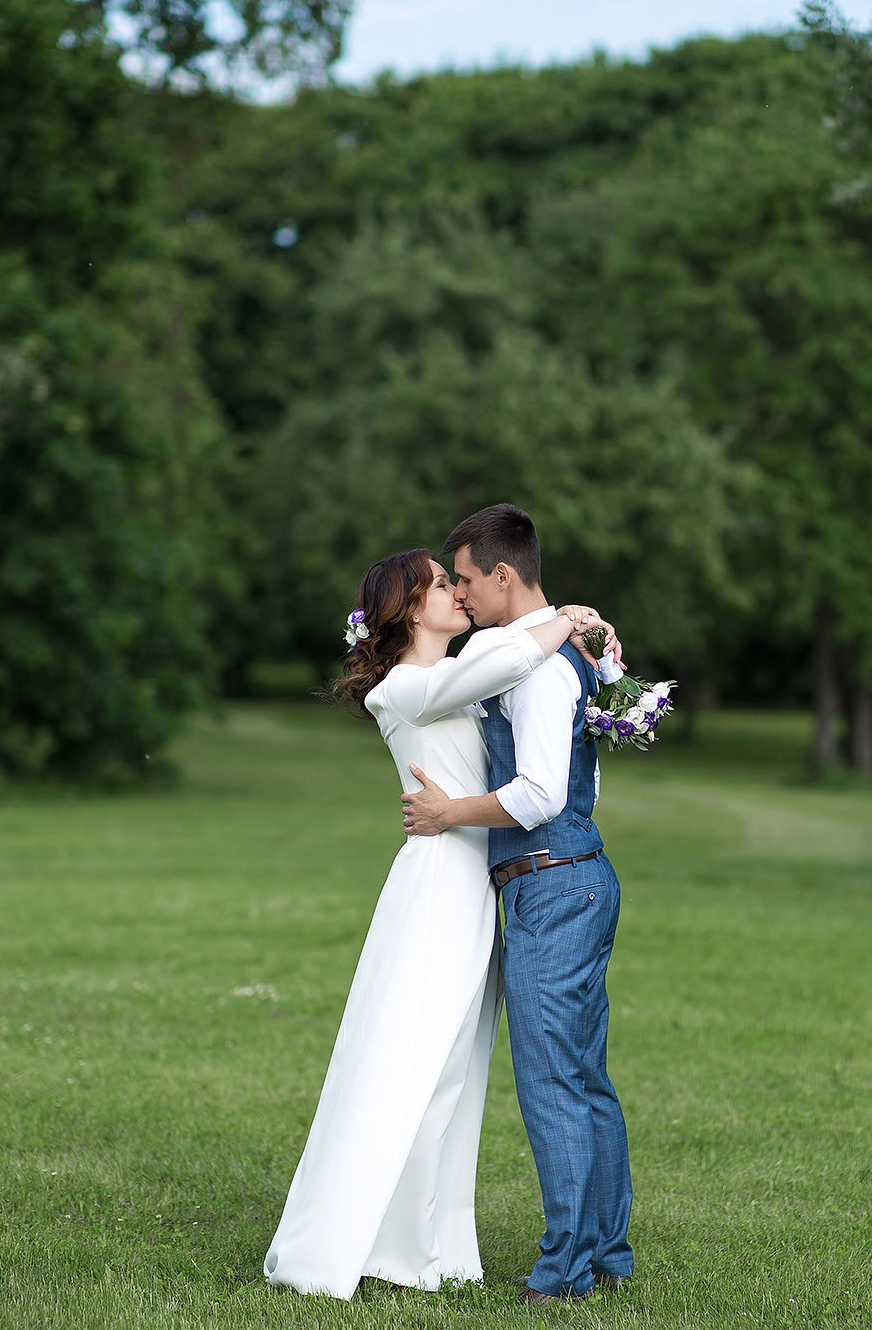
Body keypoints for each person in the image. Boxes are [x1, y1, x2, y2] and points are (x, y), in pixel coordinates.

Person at [261, 548, 616, 1300]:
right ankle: (351, 1239)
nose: (458, 592)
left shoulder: (461, 677)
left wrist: (591, 650)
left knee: (454, 1074)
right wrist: (565, 616)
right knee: (405, 1063)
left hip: (476, 890)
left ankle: (429, 1242)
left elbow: (515, 683)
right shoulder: (401, 690)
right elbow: (492, 667)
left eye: (458, 580)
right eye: (441, 583)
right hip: (435, 894)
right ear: (413, 609)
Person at [399, 504, 634, 1306]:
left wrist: (445, 813)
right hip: (578, 875)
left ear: (504, 575)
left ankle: (565, 1271)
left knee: (553, 1084)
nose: (459, 596)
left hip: (551, 880)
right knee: (584, 1076)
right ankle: (607, 1251)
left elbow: (539, 792)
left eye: (464, 579)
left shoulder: (533, 665)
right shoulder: (559, 648)